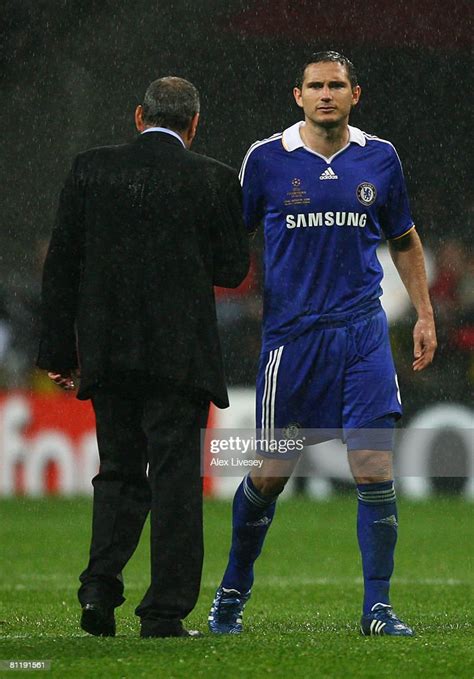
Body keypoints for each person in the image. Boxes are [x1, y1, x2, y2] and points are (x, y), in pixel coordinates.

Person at [208, 52, 437, 637]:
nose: (326, 94)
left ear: (355, 94)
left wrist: (424, 315)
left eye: (336, 85)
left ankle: (377, 609)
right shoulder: (265, 160)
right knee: (270, 474)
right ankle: (232, 593)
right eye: (316, 86)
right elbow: (231, 243)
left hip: (363, 336)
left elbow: (406, 241)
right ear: (298, 95)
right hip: (293, 341)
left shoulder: (380, 158)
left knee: (373, 466)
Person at [37, 76, 249, 638]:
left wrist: (60, 351)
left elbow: (61, 265)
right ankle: (163, 612)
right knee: (176, 480)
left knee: (119, 473)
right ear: (194, 123)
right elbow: (232, 270)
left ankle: (98, 590)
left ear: (138, 116)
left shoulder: (91, 169)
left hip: (109, 352)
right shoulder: (215, 179)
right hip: (179, 357)